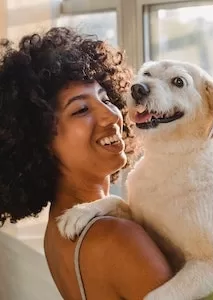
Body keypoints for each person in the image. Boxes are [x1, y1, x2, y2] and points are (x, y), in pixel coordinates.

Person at [0, 27, 172, 299]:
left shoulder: (60, 230)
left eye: (105, 98)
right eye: (81, 110)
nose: (110, 116)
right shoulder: (116, 237)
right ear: (39, 141)